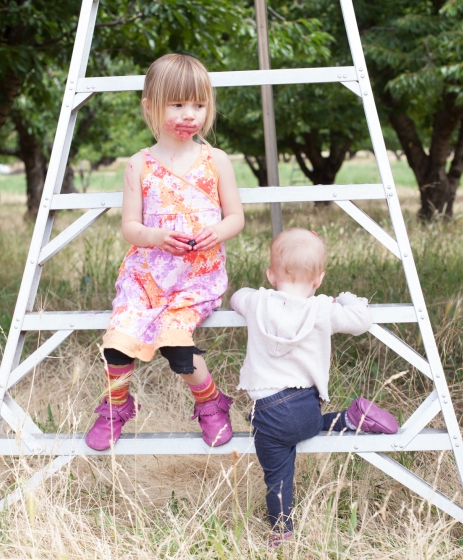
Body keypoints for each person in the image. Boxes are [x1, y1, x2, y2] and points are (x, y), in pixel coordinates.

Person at [85, 54, 244, 451]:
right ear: (150, 107)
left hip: (197, 274)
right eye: (177, 104)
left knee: (176, 343)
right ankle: (116, 405)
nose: (189, 114)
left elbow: (236, 217)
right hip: (148, 274)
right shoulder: (139, 164)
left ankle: (210, 402)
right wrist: (155, 237)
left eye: (199, 105)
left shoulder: (216, 161)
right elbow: (130, 227)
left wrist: (216, 231)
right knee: (118, 340)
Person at [230, 228, 399, 546]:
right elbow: (361, 320)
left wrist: (247, 293)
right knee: (305, 428)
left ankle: (282, 531)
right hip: (307, 406)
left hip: (269, 410)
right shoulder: (323, 309)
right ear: (319, 280)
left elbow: (236, 297)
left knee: (278, 474)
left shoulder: (257, 301)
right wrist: (344, 299)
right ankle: (349, 420)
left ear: (270, 275)